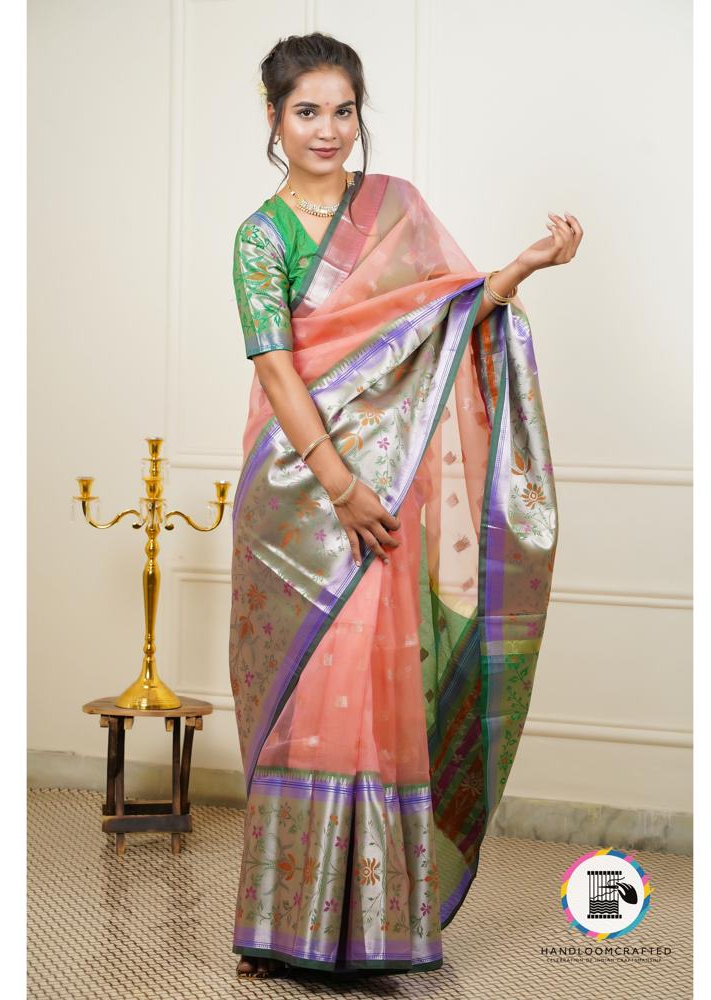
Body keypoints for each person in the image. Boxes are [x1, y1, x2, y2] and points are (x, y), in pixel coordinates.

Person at [228, 32, 581, 980]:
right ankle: (281, 924)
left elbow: (450, 315)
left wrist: (525, 266)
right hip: (305, 495)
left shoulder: (396, 212)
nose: (328, 129)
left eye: (344, 110)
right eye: (307, 111)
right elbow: (275, 363)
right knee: (309, 693)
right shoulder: (260, 238)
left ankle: (375, 927)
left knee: (377, 692)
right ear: (274, 118)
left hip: (390, 491)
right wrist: (338, 486)